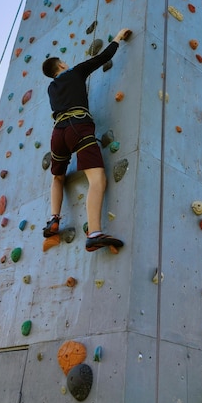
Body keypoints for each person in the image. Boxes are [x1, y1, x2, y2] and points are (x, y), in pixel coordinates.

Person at [41, 28, 132, 252]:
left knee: (58, 177)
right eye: (64, 61)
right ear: (61, 66)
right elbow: (102, 58)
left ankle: (53, 219)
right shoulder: (75, 72)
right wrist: (118, 37)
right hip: (78, 127)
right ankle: (94, 232)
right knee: (97, 179)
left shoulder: (51, 88)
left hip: (58, 134)